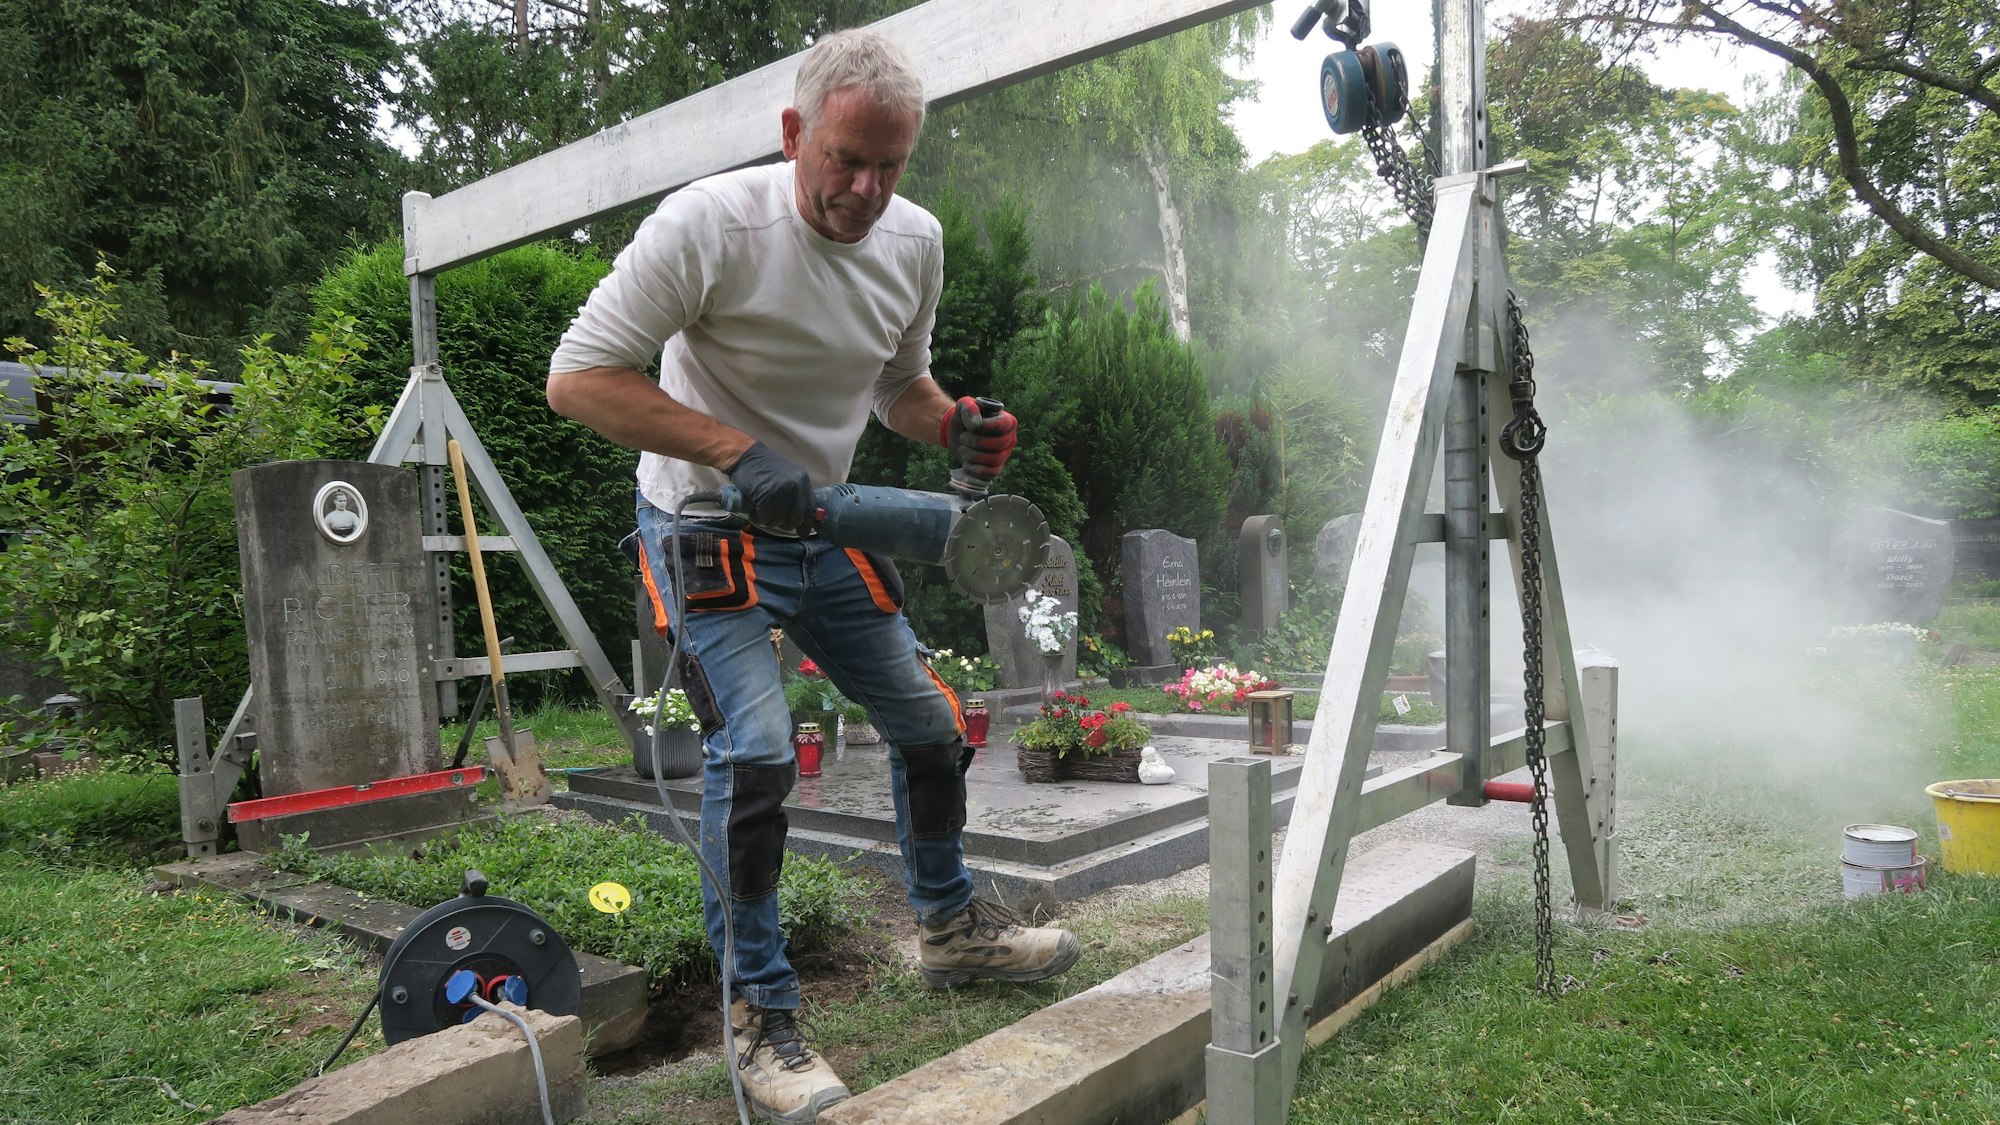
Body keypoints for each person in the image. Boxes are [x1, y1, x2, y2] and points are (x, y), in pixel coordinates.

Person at [546, 28, 1078, 1124]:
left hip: (821, 526)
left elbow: (898, 387)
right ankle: (759, 1020)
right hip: (703, 522)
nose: (867, 189)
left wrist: (956, 429)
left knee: (930, 725)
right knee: (751, 758)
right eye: (845, 159)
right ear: (794, 133)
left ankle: (948, 929)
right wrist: (734, 452)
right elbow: (577, 379)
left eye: (891, 166)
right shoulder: (709, 225)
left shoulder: (912, 241)